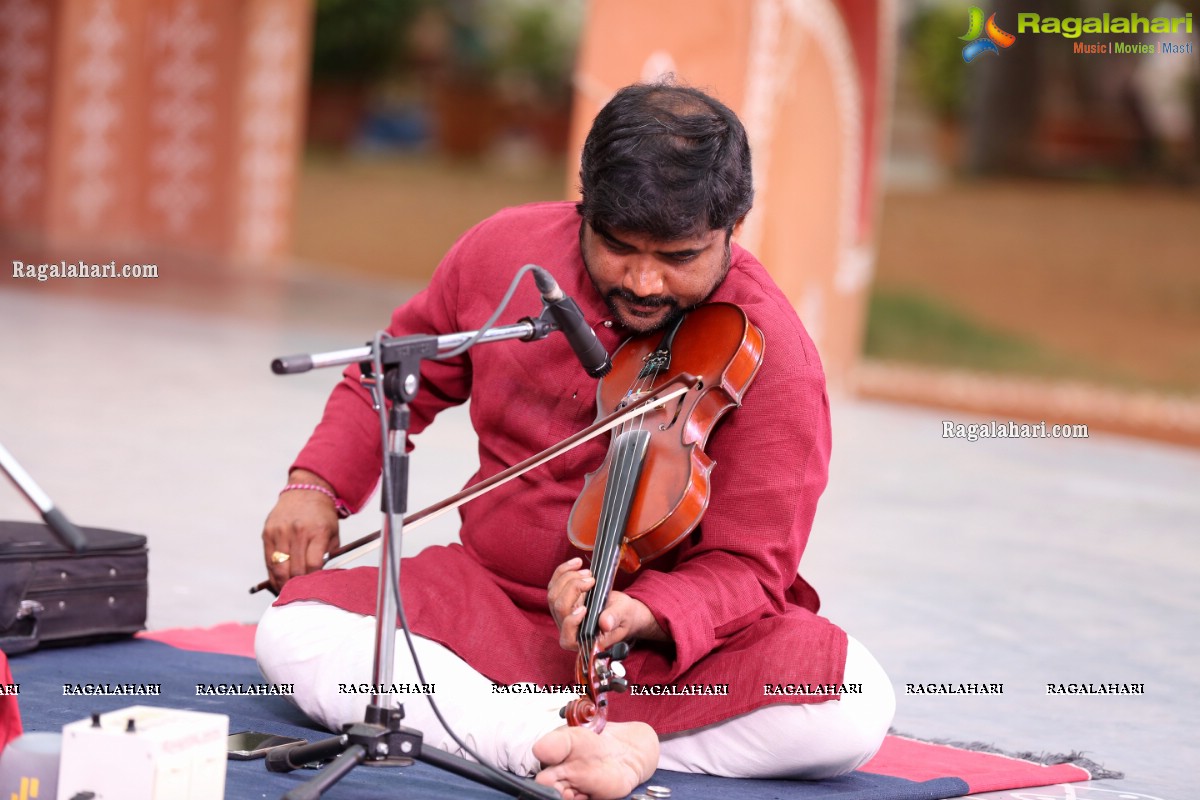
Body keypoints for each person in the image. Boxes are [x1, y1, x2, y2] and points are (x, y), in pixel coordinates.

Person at [256, 82, 895, 800]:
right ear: (583, 207)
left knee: (852, 705)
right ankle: (556, 739)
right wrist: (314, 484)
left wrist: (646, 613)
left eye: (680, 256)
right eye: (619, 248)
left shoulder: (773, 353)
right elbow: (394, 372)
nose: (645, 280)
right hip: (484, 601)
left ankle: (528, 733)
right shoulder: (505, 252)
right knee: (293, 635)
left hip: (649, 653)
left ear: (732, 229)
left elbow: (751, 569)